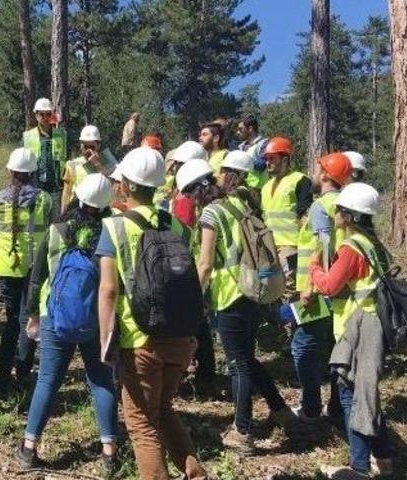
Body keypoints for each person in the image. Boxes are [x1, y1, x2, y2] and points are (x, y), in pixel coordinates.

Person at [97, 147, 208, 480]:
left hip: (140, 340)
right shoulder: (177, 224)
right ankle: (195, 472)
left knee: (142, 424)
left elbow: (109, 290)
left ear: (126, 186)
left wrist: (106, 343)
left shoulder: (115, 227)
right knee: (162, 409)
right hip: (180, 336)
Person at [176, 159, 295, 455]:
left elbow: (204, 264)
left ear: (195, 190)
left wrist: (193, 300)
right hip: (253, 289)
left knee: (237, 364)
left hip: (230, 294)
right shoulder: (236, 203)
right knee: (247, 357)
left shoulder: (210, 215)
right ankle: (281, 412)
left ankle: (242, 431)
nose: (188, 201)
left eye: (188, 195)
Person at [15, 173, 119, 476]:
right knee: (101, 380)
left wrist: (33, 313)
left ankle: (29, 448)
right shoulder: (110, 230)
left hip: (55, 314)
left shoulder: (57, 229)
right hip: (96, 316)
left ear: (79, 197)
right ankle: (110, 452)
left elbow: (37, 277)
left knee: (47, 380)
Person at [311, 183, 395, 479]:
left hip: (359, 327)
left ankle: (358, 467)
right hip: (375, 325)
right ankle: (384, 460)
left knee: (351, 395)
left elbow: (329, 286)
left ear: (348, 215)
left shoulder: (351, 247)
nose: (334, 213)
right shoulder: (373, 242)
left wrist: (314, 269)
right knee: (367, 393)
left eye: (339, 209)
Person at [292, 153, 353, 424]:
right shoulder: (345, 204)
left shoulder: (320, 206)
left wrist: (310, 286)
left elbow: (323, 247)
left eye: (318, 170)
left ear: (326, 176)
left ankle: (311, 407)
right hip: (341, 288)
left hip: (319, 288)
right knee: (334, 349)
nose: (315, 174)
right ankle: (337, 407)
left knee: (303, 346)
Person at [0, 148, 52, 387]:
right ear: (33, 172)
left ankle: (3, 373)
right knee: (29, 317)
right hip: (35, 268)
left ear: (10, 171)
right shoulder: (45, 199)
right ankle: (24, 370)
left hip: (6, 266)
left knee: (10, 320)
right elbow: (52, 228)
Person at [261, 136, 313, 307]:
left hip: (291, 246)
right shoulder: (266, 187)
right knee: (274, 291)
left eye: (272, 159)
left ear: (285, 159)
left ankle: (293, 328)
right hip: (270, 247)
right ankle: (282, 327)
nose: (268, 163)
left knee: (291, 291)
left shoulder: (300, 180)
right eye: (266, 159)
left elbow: (305, 214)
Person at [23, 98, 67, 221]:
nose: (45, 117)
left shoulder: (61, 135)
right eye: (41, 114)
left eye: (48, 114)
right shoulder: (27, 137)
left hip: (55, 188)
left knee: (55, 225)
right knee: (37, 224)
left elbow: (66, 160)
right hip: (35, 187)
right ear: (36, 115)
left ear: (52, 114)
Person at [61, 125, 118, 213]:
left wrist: (97, 164)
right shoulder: (72, 164)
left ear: (98, 145)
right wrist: (63, 213)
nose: (88, 151)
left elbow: (113, 186)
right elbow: (66, 193)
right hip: (78, 209)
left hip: (100, 210)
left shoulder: (109, 163)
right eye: (85, 147)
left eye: (91, 147)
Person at [236, 114, 269, 190]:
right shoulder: (241, 147)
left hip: (258, 189)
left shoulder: (264, 143)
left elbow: (261, 165)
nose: (238, 132)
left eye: (240, 129)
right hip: (243, 188)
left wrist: (240, 162)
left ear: (250, 128)